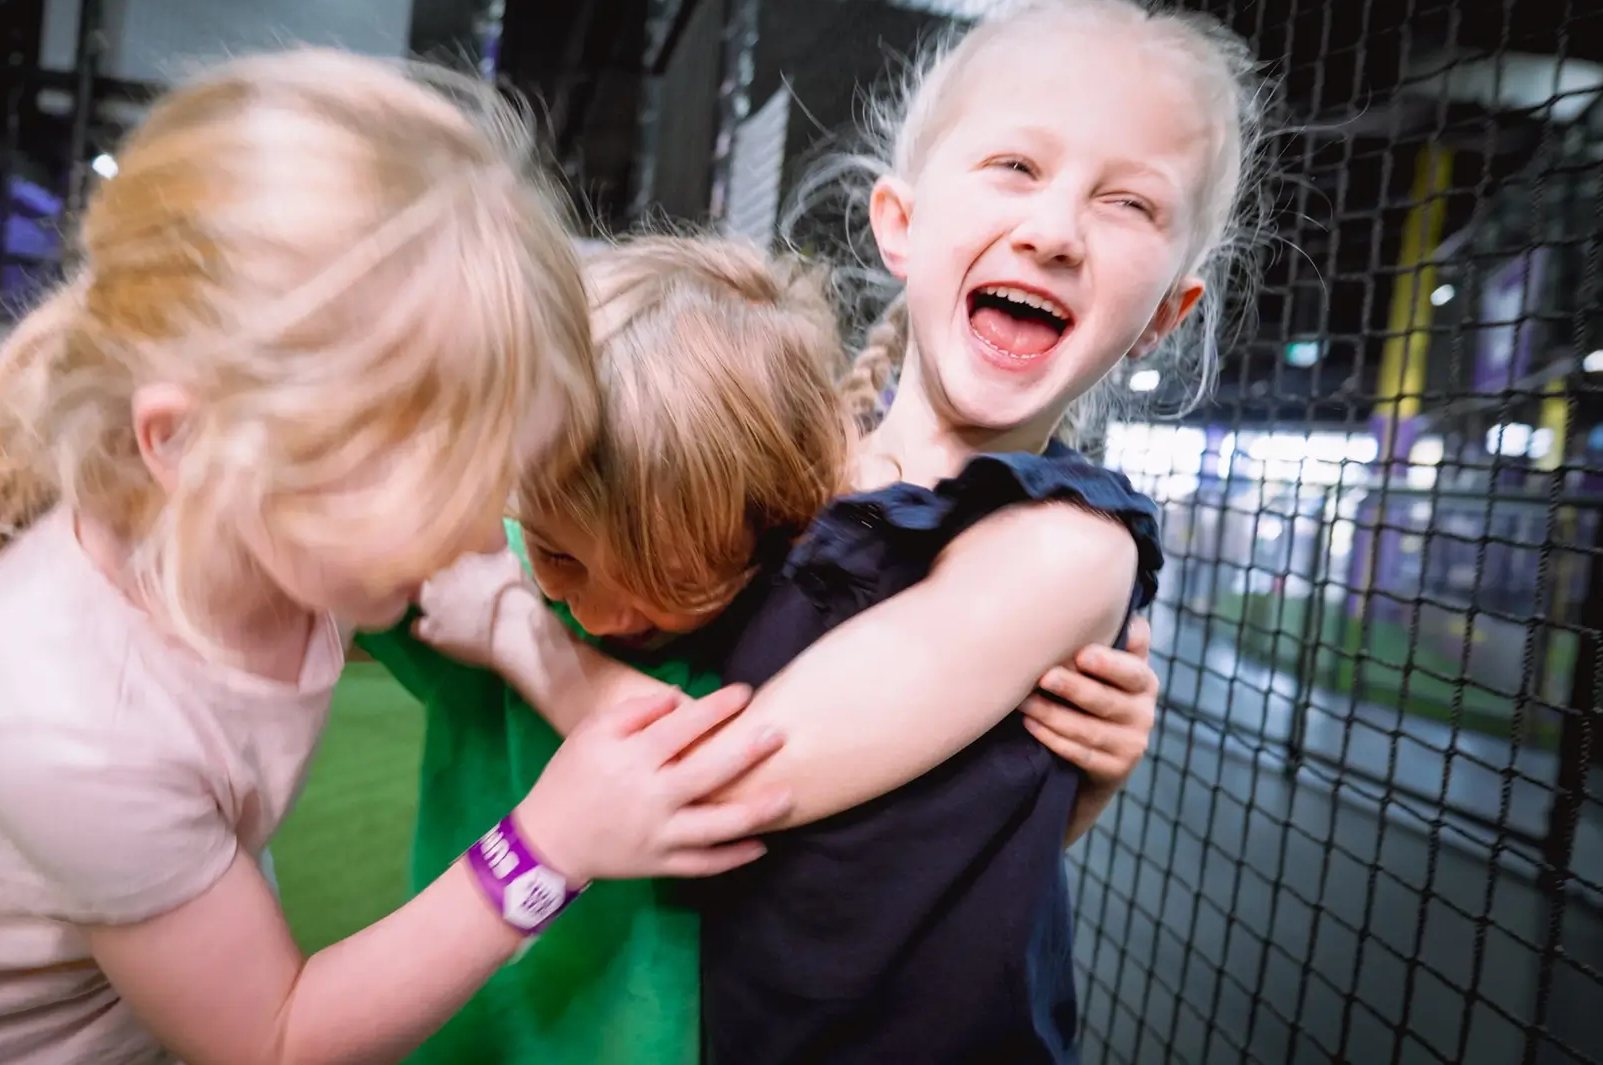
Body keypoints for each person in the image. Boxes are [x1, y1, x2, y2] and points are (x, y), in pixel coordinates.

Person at [0, 51, 792, 1065]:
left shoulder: (268, 520)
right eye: (447, 489)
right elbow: (273, 1036)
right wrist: (547, 846)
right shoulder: (61, 713)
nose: (485, 533)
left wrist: (528, 644)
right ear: (189, 445)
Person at [420, 0, 1270, 1064]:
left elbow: (738, 781)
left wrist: (510, 629)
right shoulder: (798, 469)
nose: (1053, 230)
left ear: (1164, 314)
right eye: (1015, 166)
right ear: (899, 225)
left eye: (1128, 204)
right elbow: (915, 837)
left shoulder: (1067, 547)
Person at [382, 235, 1164, 1065]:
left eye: (666, 579)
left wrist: (1075, 781)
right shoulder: (504, 564)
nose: (604, 613)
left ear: (760, 534)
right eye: (559, 554)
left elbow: (831, 825)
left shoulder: (789, 611)